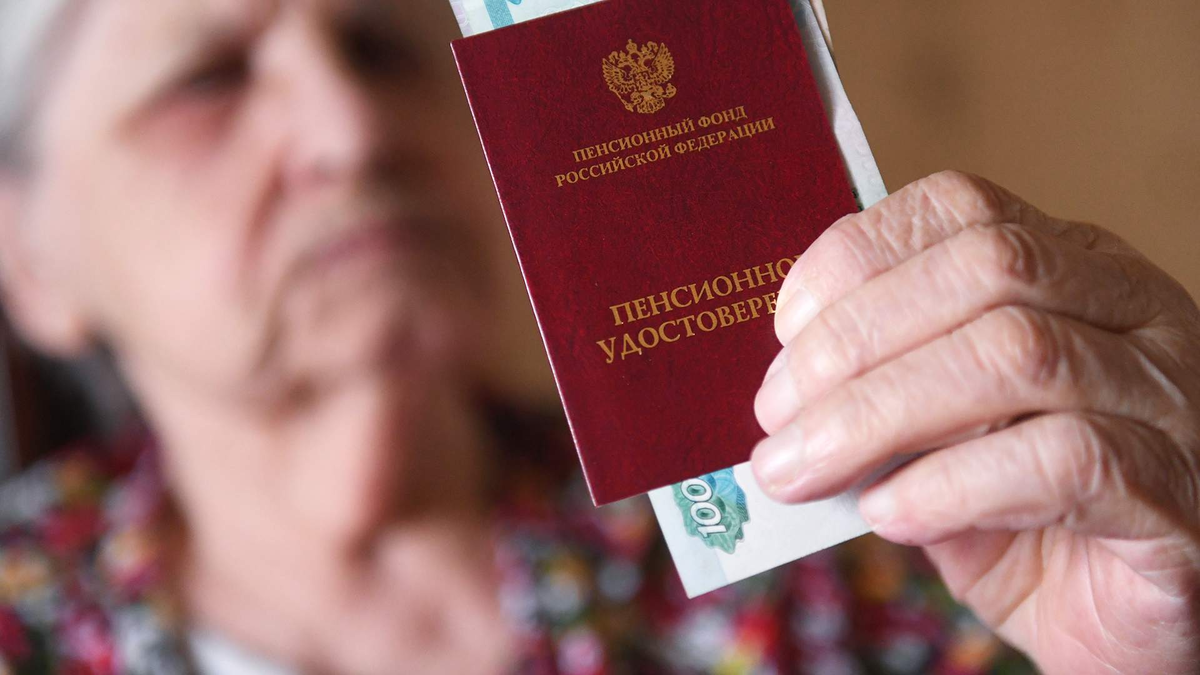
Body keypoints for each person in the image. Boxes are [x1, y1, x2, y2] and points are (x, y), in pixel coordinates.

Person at [0, 1, 1195, 673]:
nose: (351, 130)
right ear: (29, 262)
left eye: (379, 50)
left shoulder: (861, 556)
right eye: (207, 79)